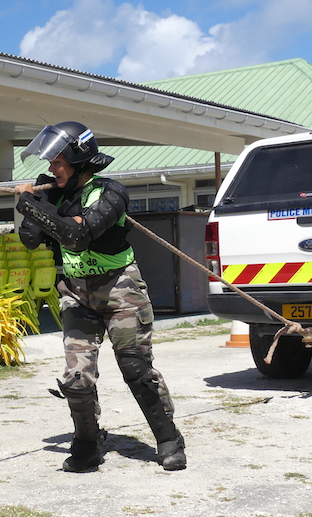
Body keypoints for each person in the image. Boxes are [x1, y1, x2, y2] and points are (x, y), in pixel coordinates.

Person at [13, 121, 186, 472]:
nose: (51, 169)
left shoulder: (112, 192)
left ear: (79, 160)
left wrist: (32, 205)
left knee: (135, 368)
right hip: (76, 292)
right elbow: (31, 238)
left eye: (58, 161)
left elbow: (77, 236)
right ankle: (88, 444)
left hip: (120, 288)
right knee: (76, 378)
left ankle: (169, 439)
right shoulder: (51, 195)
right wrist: (37, 202)